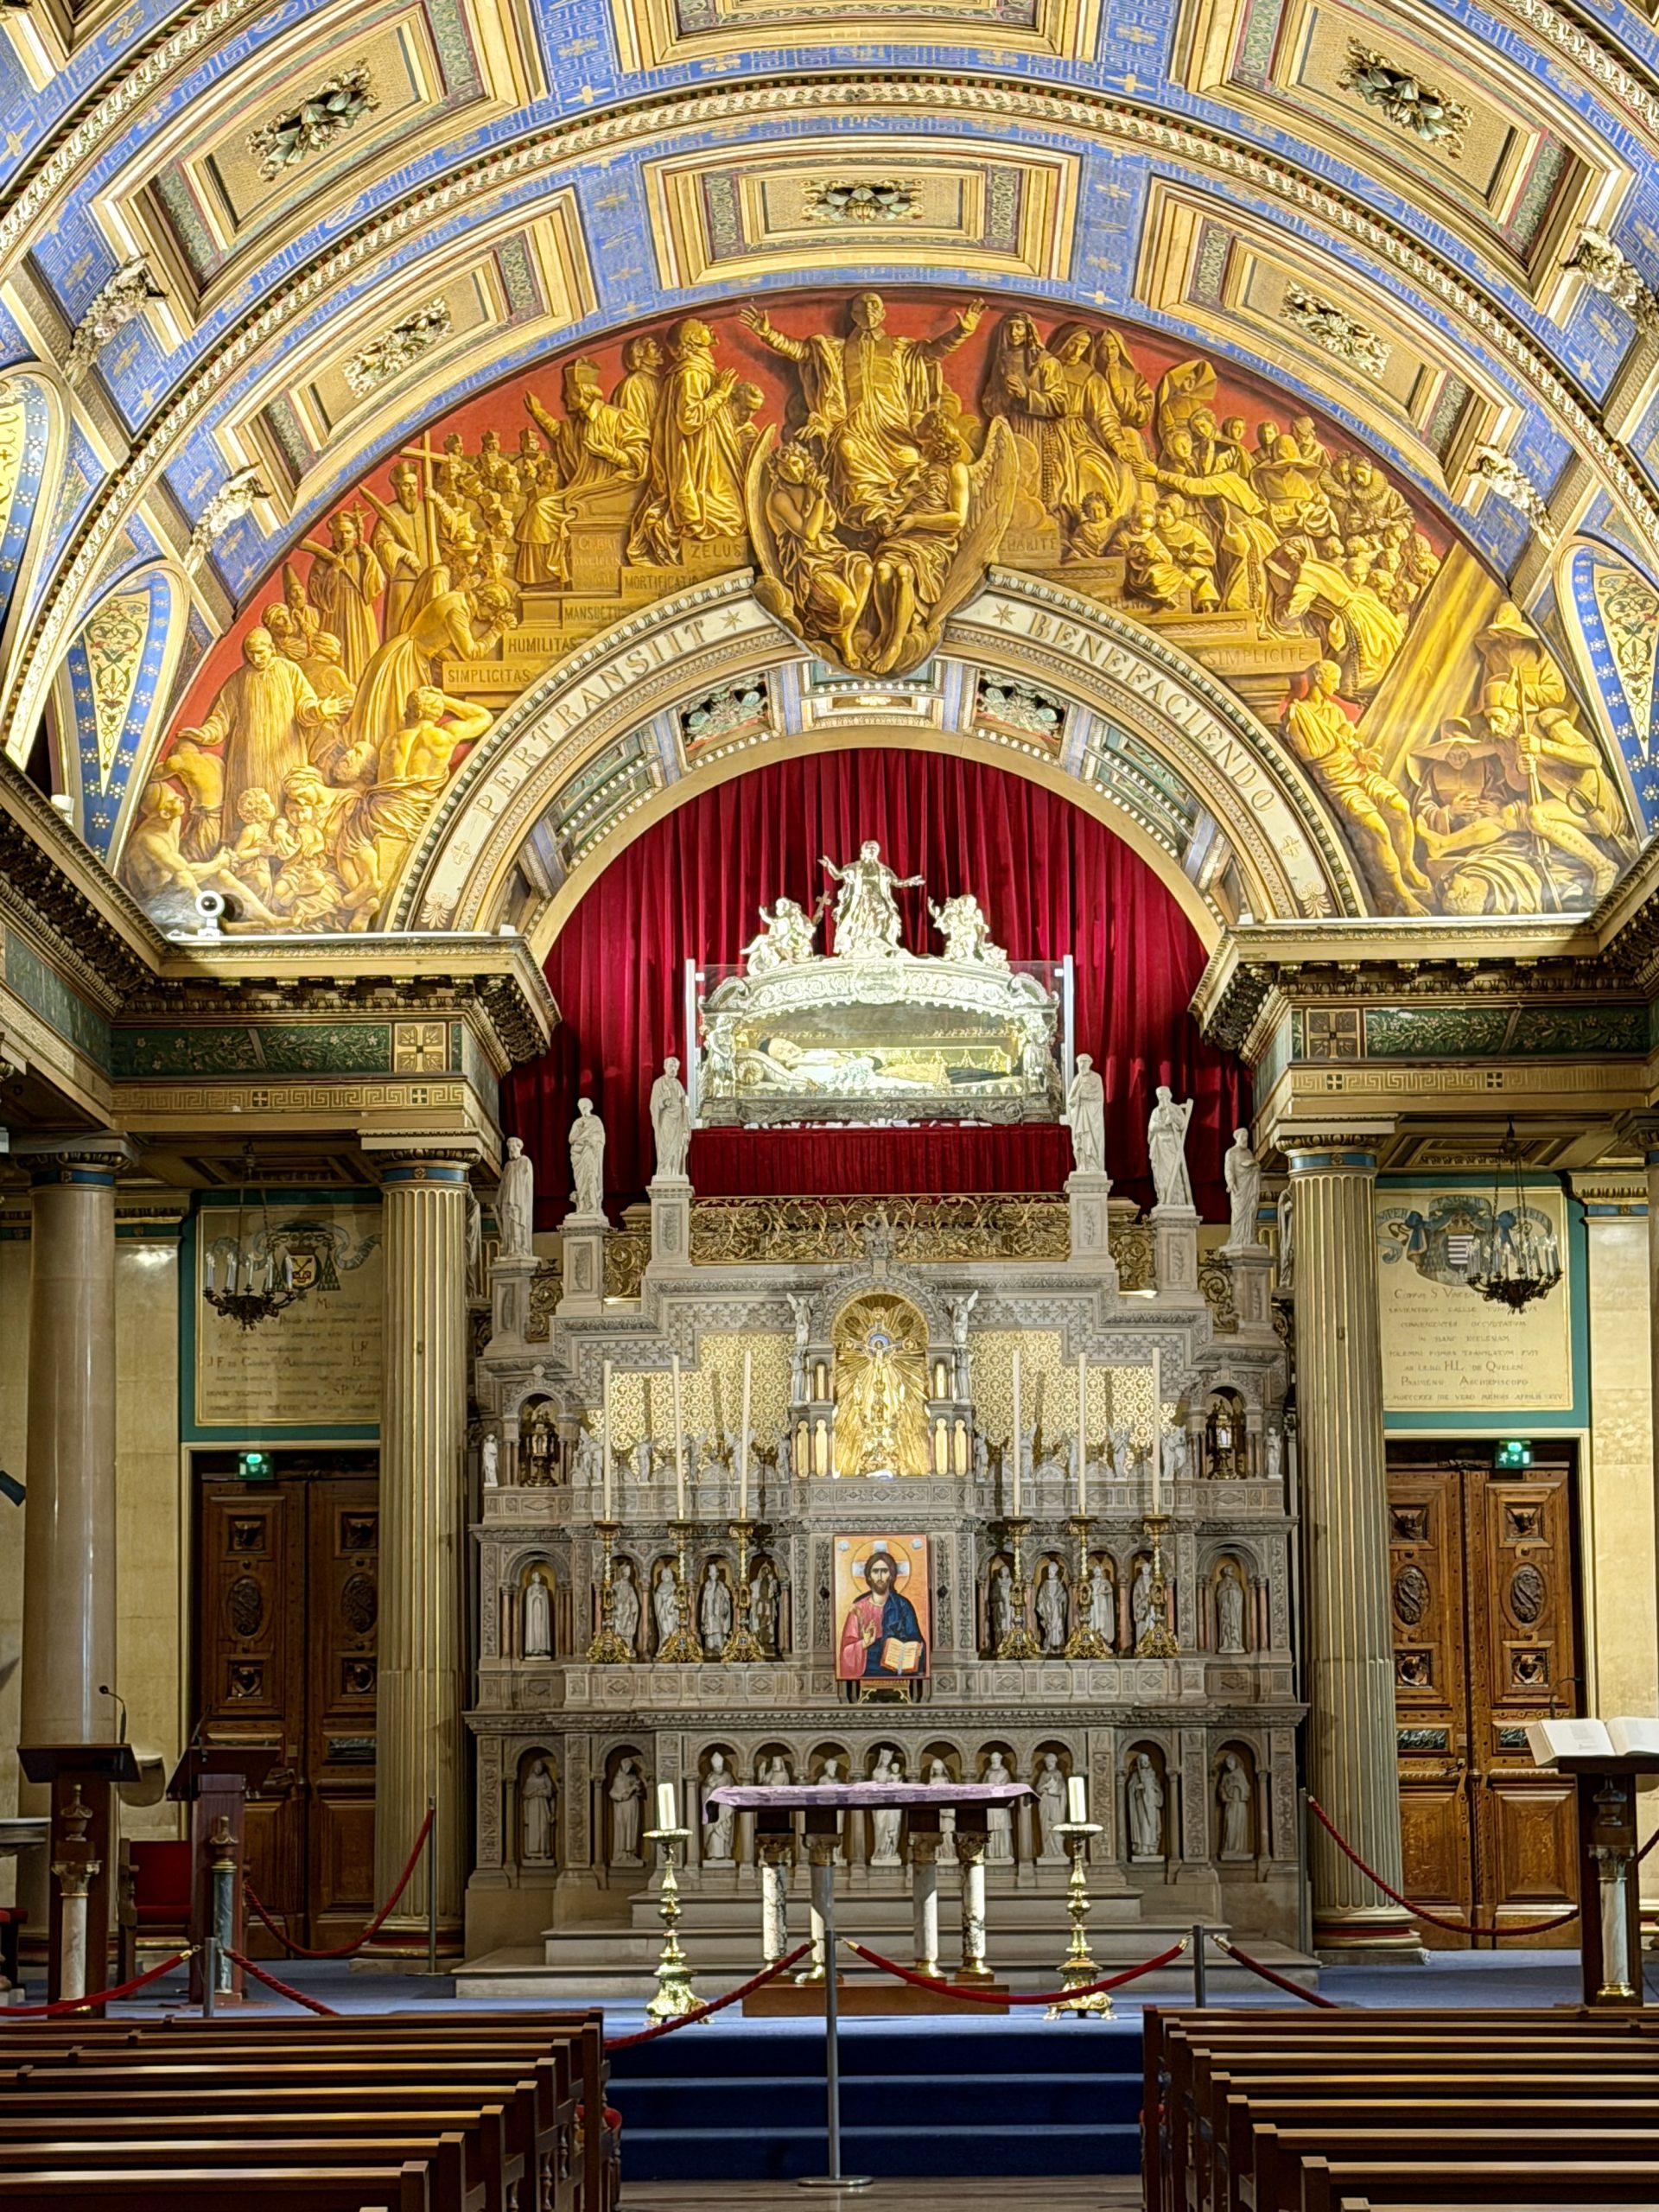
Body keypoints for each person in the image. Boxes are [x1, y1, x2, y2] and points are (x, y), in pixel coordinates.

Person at [837, 1544, 926, 1679]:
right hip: (867, 1671)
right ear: (869, 1576)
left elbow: (916, 1640)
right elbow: (846, 1650)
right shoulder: (858, 1608)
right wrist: (864, 1643)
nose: (879, 1576)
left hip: (897, 1671)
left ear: (891, 1575)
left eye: (884, 1571)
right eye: (875, 1571)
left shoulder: (902, 1605)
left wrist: (915, 1649)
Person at [1147, 1085, 1195, 1211]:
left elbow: (1182, 1124)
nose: (1161, 1098)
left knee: (1174, 1171)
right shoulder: (1156, 1112)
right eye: (1159, 1096)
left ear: (1169, 1096)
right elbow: (1151, 1127)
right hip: (1160, 1146)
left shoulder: (1175, 1109)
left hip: (1172, 1145)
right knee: (1161, 1174)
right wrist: (1164, 1125)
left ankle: (1176, 1201)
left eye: (1163, 1095)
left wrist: (1173, 1118)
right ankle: (1163, 1198)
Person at [650, 1056, 692, 1180]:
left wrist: (686, 1108)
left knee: (678, 1148)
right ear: (665, 1067)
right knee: (665, 1148)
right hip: (666, 1121)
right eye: (671, 1066)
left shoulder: (678, 1084)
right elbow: (653, 1105)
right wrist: (663, 1100)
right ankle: (665, 1172)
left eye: (676, 1067)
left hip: (679, 1121)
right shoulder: (659, 1083)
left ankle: (676, 1172)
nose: (673, 1069)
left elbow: (685, 1104)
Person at [1065, 1052, 1106, 1174]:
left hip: (1092, 1117)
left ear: (1090, 1063)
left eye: (1085, 1062)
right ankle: (1082, 1165)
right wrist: (1077, 1098)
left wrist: (1084, 1095)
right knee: (1080, 1141)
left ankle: (1094, 1165)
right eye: (1080, 1062)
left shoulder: (1096, 1078)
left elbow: (1099, 1096)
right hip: (1079, 1117)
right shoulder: (1077, 1079)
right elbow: (1070, 1101)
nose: (1082, 1065)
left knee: (1092, 1140)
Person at [569, 1096, 606, 1219]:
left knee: (590, 1176)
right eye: (581, 1107)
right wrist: (580, 1131)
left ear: (590, 1107)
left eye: (585, 1106)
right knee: (580, 1180)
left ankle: (592, 1206)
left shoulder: (595, 1120)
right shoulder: (578, 1122)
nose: (583, 1109)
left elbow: (600, 1138)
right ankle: (582, 1206)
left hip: (590, 1152)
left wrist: (589, 1139)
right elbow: (571, 1139)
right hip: (578, 1155)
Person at [1224, 1128, 1262, 1248]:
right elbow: (1229, 1169)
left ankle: (1249, 1237)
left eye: (1247, 1137)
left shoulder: (1249, 1153)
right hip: (1239, 1189)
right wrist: (1231, 1183)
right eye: (1243, 1137)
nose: (1245, 1139)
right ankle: (1237, 1238)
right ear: (1237, 1138)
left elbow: (1255, 1167)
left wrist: (1255, 1166)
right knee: (1238, 1213)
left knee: (1250, 1212)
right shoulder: (1231, 1152)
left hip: (1249, 1187)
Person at [1128, 1752, 1164, 1859]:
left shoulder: (1153, 1775)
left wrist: (1149, 1787)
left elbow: (1158, 1790)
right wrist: (1136, 1788)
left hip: (1151, 1804)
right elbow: (1131, 1788)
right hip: (1141, 1804)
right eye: (1142, 1761)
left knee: (1152, 1825)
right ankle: (1143, 1847)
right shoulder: (1136, 1775)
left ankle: (1152, 1847)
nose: (1144, 1763)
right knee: (1143, 1824)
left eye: (1146, 1760)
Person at [609, 1758, 645, 1863]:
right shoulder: (618, 1779)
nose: (629, 1769)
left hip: (633, 1805)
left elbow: (640, 1792)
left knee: (632, 1828)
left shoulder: (633, 1777)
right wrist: (632, 1789)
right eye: (627, 1766)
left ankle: (631, 1853)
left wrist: (638, 1788)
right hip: (622, 1807)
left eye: (630, 1767)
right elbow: (619, 1795)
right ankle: (621, 1853)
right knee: (622, 1827)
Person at [1217, 1753, 1252, 1857]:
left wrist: (1239, 1788)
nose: (1229, 1765)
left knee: (1238, 1826)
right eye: (1228, 1763)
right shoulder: (1225, 1775)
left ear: (1235, 1762)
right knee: (1230, 1825)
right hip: (1230, 1803)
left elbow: (1246, 1787)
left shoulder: (1240, 1773)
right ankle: (1229, 1848)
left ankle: (1239, 1849)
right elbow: (1221, 1787)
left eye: (1231, 1762)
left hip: (1239, 1804)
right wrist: (1224, 1795)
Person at [522, 1759, 555, 1862]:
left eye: (540, 1767)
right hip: (533, 1806)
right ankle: (533, 1853)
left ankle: (544, 1852)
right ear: (534, 1767)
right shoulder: (530, 1780)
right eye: (537, 1766)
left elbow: (550, 1792)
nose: (539, 1768)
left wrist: (541, 1792)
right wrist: (535, 1792)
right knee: (534, 1829)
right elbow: (526, 1794)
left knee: (544, 1828)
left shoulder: (546, 1778)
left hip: (543, 1805)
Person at [1036, 1752, 1067, 1859]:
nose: (1048, 1764)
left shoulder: (1058, 1774)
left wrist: (1051, 1789)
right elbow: (1038, 1788)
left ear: (1055, 1762)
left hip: (1055, 1803)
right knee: (1046, 1827)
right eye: (1047, 1762)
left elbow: (1062, 1790)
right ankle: (1047, 1851)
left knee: (1056, 1826)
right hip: (1045, 1803)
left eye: (1050, 1762)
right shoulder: (1043, 1774)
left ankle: (1059, 1851)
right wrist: (1044, 1787)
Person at [1035, 1560, 1069, 1652]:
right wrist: (1042, 1604)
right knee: (1048, 1626)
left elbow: (1064, 1597)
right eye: (1049, 1570)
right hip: (1047, 1608)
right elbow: (1041, 1596)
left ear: (1056, 1572)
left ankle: (1058, 1645)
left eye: (1052, 1571)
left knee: (1057, 1626)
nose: (1050, 1573)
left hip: (1057, 1609)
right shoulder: (1045, 1584)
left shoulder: (1059, 1584)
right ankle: (1049, 1644)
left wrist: (1060, 1598)